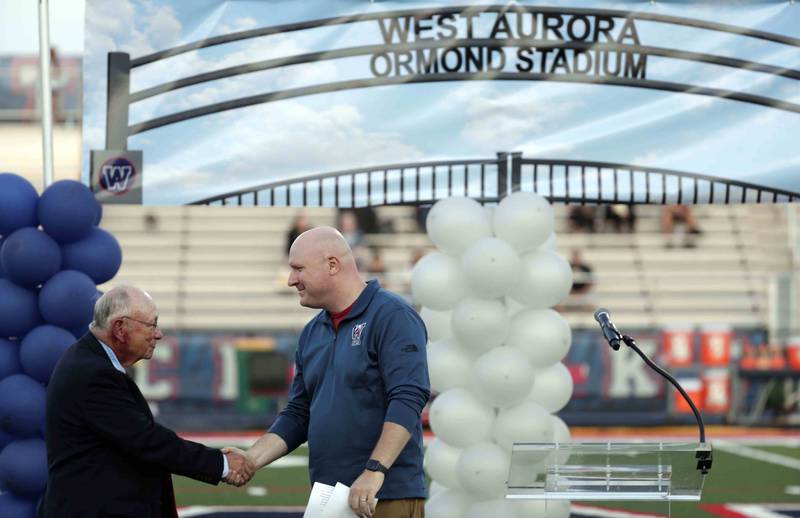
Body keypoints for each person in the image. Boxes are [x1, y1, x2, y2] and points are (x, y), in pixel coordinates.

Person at [235, 227, 430, 518]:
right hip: (328, 499)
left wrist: (375, 470)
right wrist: (252, 458)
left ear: (333, 265)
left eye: (298, 269)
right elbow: (299, 413)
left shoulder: (393, 316)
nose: (291, 280)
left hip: (383, 495)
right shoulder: (312, 332)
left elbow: (408, 397)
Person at [40, 285, 254, 518]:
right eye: (151, 325)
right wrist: (221, 464)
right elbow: (146, 440)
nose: (158, 334)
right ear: (120, 329)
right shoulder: (93, 374)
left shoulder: (89, 362)